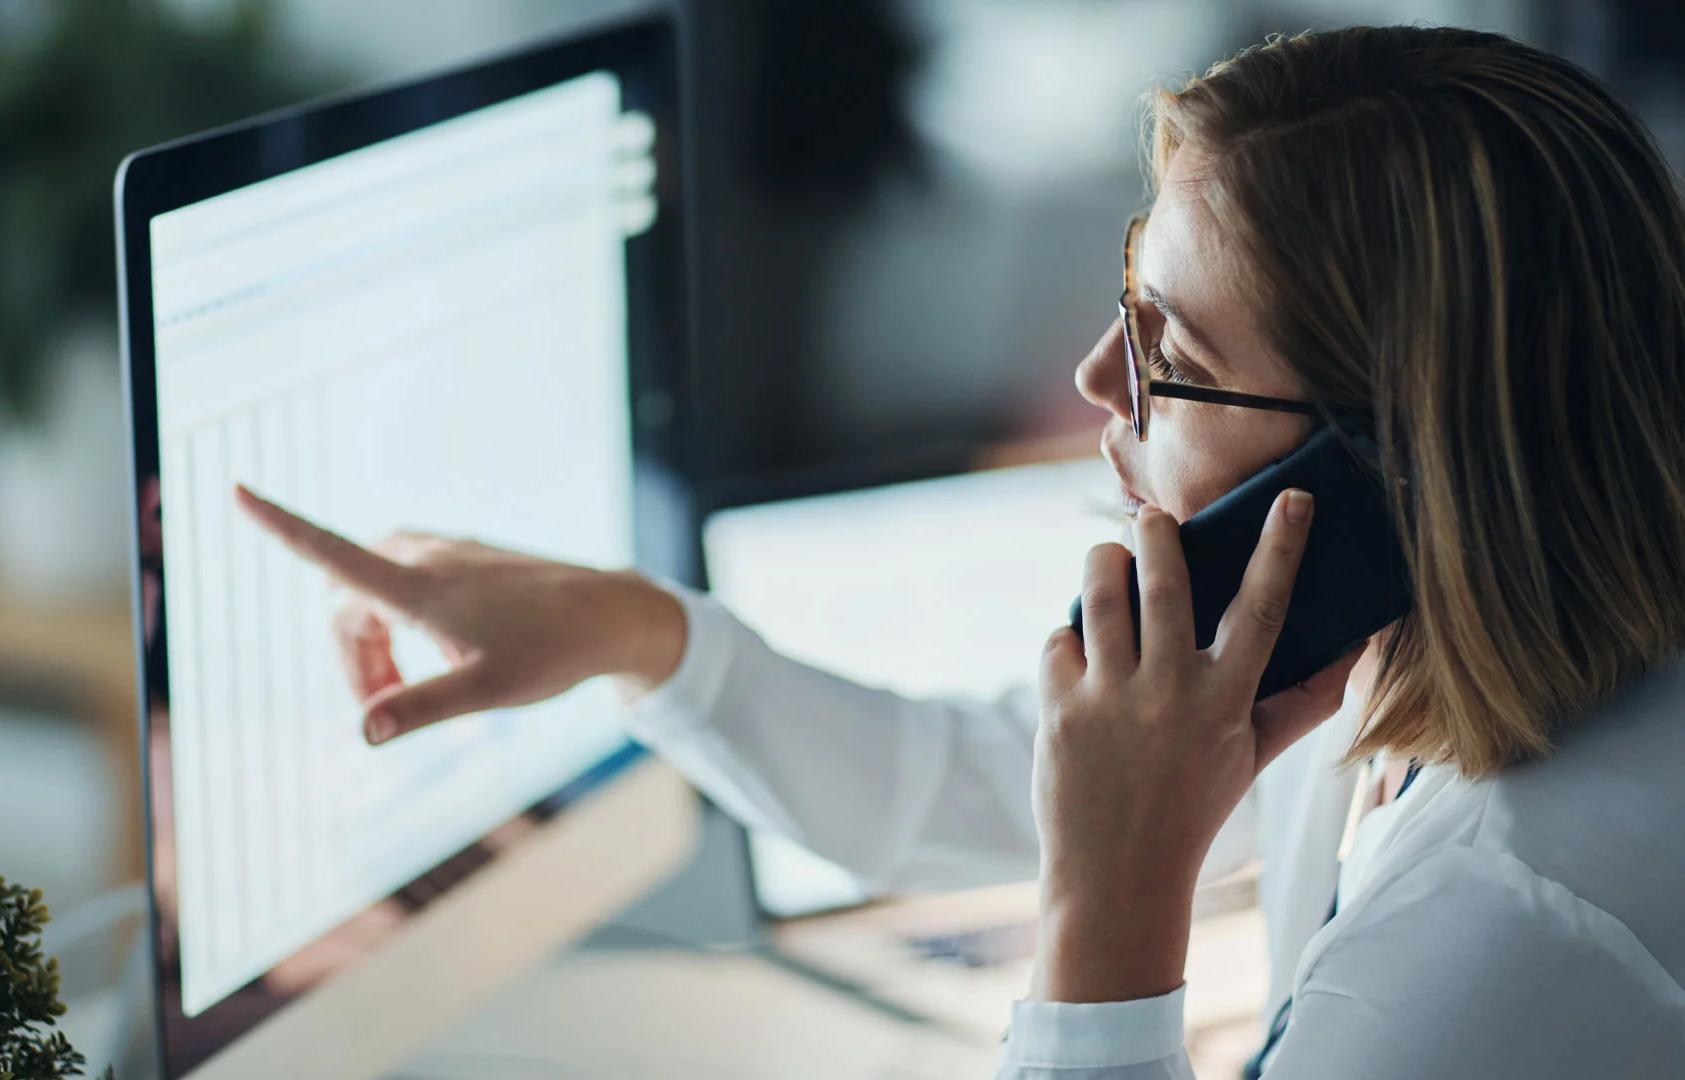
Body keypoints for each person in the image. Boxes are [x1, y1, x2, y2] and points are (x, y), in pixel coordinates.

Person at [237, 25, 1685, 1079]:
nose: (1094, 381)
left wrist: (1106, 931)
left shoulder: (1500, 952)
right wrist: (636, 632)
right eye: (1127, 302)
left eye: (1168, 355)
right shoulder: (1417, 658)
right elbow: (987, 778)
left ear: (1388, 466)